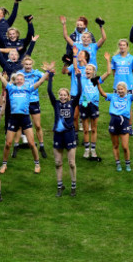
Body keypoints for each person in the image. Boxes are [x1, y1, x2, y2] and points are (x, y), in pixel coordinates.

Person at [0, 57, 49, 174]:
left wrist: (48, 71)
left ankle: (37, 164)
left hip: (25, 118)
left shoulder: (28, 89)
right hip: (13, 119)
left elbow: (40, 82)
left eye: (21, 79)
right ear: (15, 80)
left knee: (32, 143)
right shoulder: (11, 88)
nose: (19, 80)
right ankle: (4, 164)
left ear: (23, 80)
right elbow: (1, 78)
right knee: (8, 144)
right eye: (17, 79)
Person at [97, 77, 133, 172]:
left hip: (124, 122)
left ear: (126, 90)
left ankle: (127, 163)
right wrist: (98, 84)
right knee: (115, 145)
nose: (120, 91)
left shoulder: (129, 97)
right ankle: (118, 163)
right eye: (118, 89)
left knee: (125, 146)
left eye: (122, 89)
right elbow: (103, 93)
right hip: (113, 121)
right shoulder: (113, 96)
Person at [46, 68, 77, 197]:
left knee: (71, 163)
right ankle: (60, 186)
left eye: (65, 95)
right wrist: (51, 76)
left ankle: (73, 186)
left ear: (68, 96)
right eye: (61, 95)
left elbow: (79, 92)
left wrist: (79, 78)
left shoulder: (72, 104)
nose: (63, 97)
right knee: (58, 163)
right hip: (58, 134)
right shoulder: (56, 104)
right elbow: (49, 91)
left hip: (69, 134)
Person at [76, 49, 110, 158]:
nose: (88, 70)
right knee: (86, 129)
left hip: (94, 105)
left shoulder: (96, 80)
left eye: (90, 69)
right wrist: (76, 56)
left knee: (94, 129)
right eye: (87, 69)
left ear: (93, 71)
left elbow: (108, 73)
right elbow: (77, 67)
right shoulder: (81, 78)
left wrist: (108, 60)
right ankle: (86, 150)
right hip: (84, 104)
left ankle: (93, 150)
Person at [19, 56, 48, 158]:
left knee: (38, 125)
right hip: (23, 101)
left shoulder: (36, 73)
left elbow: (48, 78)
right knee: (21, 125)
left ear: (32, 65)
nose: (28, 66)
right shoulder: (19, 73)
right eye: (26, 64)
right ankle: (17, 146)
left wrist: (46, 71)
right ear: (23, 64)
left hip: (34, 102)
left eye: (29, 64)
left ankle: (41, 146)